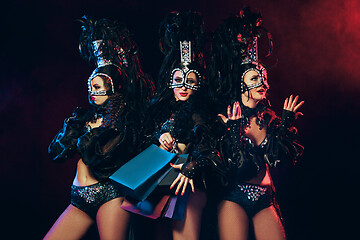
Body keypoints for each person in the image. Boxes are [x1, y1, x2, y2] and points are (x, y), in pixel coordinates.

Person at [44, 16, 154, 240]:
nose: (91, 92)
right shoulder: (85, 117)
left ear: (112, 87)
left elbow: (100, 159)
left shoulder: (123, 124)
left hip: (109, 196)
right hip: (79, 198)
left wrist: (82, 136)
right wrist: (72, 130)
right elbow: (55, 153)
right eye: (89, 86)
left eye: (97, 86)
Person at [208, 7, 304, 240]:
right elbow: (228, 167)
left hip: (265, 196)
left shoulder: (268, 117)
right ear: (241, 84)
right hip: (233, 196)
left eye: (264, 77)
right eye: (254, 78)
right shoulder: (226, 116)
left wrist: (285, 123)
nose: (262, 82)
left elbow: (280, 159)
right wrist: (232, 130)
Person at [147, 11, 220, 240]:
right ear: (171, 82)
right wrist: (160, 137)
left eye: (190, 81)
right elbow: (143, 140)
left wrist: (192, 166)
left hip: (188, 187)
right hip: (160, 186)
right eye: (178, 80)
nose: (183, 86)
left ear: (198, 85)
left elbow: (211, 152)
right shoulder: (160, 111)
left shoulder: (202, 114)